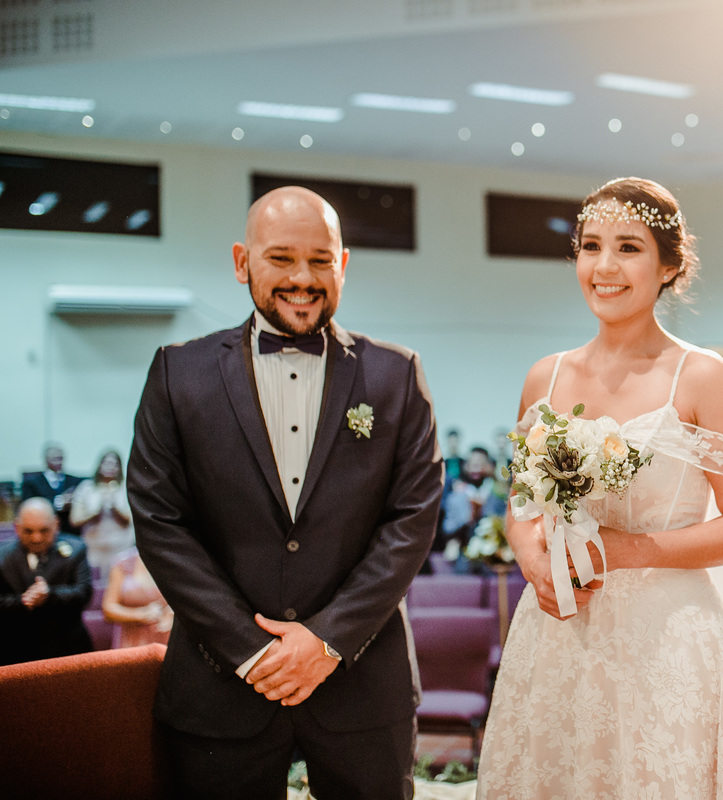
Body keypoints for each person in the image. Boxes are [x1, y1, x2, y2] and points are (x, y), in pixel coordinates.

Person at [477, 178, 723, 799]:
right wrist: (533, 560)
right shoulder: (546, 376)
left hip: (670, 643)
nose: (605, 266)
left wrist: (626, 550)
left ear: (669, 266)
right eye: (591, 246)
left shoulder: (701, 376)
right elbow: (522, 503)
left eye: (628, 248)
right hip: (559, 634)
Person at [126, 186, 443, 800]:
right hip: (221, 684)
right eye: (280, 258)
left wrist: (327, 641)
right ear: (242, 261)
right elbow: (160, 522)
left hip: (362, 683)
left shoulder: (396, 374)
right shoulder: (177, 372)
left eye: (320, 260)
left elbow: (412, 518)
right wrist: (251, 650)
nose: (302, 278)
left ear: (343, 264)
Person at [0, 498, 93, 666]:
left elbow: (83, 593)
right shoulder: (2, 557)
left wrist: (50, 594)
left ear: (56, 524)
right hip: (15, 649)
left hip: (68, 646)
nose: (36, 538)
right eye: (28, 531)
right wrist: (23, 601)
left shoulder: (76, 549)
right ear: (16, 527)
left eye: (44, 530)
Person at [69, 448, 135, 574]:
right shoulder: (87, 487)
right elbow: (74, 520)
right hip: (94, 548)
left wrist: (115, 508)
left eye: (115, 464)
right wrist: (94, 513)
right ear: (99, 465)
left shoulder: (126, 487)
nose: (111, 467)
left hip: (121, 546)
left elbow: (132, 520)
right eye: (107, 463)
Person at [102, 546, 173, 648]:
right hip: (133, 640)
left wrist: (174, 616)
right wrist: (141, 614)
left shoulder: (176, 559)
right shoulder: (124, 562)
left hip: (167, 637)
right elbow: (108, 609)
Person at [20, 442, 83, 535]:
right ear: (46, 460)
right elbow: (28, 506)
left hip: (70, 530)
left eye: (61, 458)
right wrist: (58, 502)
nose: (59, 462)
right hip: (43, 530)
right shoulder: (32, 483)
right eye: (55, 459)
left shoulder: (75, 481)